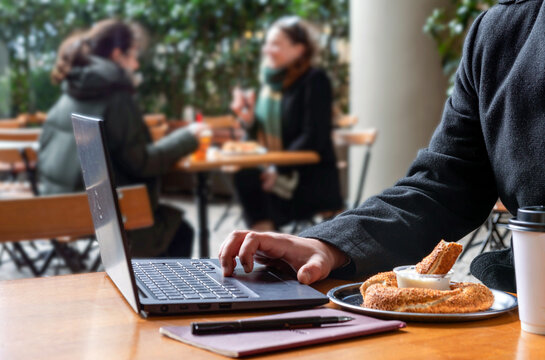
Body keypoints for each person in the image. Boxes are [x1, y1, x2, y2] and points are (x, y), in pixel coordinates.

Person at [219, 0, 543, 293]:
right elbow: (443, 187)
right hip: (531, 295)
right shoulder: (501, 34)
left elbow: (308, 139)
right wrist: (328, 245)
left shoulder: (313, 83)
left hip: (311, 182)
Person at [39, 19, 207, 258]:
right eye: (133, 56)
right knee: (181, 232)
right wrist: (188, 137)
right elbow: (142, 163)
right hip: (106, 216)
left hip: (61, 211)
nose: (136, 65)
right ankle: (153, 294)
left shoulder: (70, 91)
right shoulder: (115, 95)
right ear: (118, 55)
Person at [230, 16, 343, 232]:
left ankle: (267, 246)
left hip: (310, 180)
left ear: (299, 49)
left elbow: (313, 137)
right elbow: (259, 138)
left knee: (250, 181)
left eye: (276, 44)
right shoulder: (272, 85)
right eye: (267, 43)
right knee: (245, 176)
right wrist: (249, 121)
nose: (267, 50)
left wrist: (277, 169)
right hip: (280, 171)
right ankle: (267, 244)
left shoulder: (315, 80)